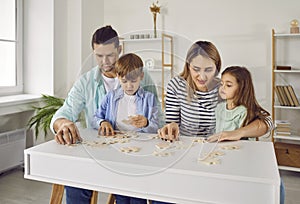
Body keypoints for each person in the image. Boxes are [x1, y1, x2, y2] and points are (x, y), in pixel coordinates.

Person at [50, 26, 161, 204]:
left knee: (157, 187)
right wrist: (62, 124)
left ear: (120, 49)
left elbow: (157, 117)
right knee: (75, 181)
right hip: (99, 153)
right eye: (99, 56)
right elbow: (65, 112)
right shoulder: (85, 82)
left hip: (135, 154)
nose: (105, 61)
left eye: (110, 55)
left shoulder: (142, 76)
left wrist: (147, 123)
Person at [158, 40, 273, 142]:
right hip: (185, 146)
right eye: (196, 69)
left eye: (208, 70)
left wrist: (238, 133)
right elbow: (171, 122)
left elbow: (268, 122)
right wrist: (171, 126)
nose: (202, 77)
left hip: (216, 148)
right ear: (188, 66)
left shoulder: (223, 88)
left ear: (217, 69)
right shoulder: (176, 85)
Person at [93, 53, 161, 204]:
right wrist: (102, 122)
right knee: (121, 194)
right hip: (117, 151)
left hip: (141, 153)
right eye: (124, 81)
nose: (129, 86)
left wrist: (146, 123)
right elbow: (95, 117)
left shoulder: (149, 99)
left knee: (138, 193)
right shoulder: (111, 97)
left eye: (133, 81)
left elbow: (157, 127)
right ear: (118, 77)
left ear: (141, 77)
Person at [211, 65, 285, 204]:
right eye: (222, 84)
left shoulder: (245, 111)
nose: (222, 88)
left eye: (228, 85)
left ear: (241, 88)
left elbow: (268, 122)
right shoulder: (219, 108)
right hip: (222, 157)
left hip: (242, 161)